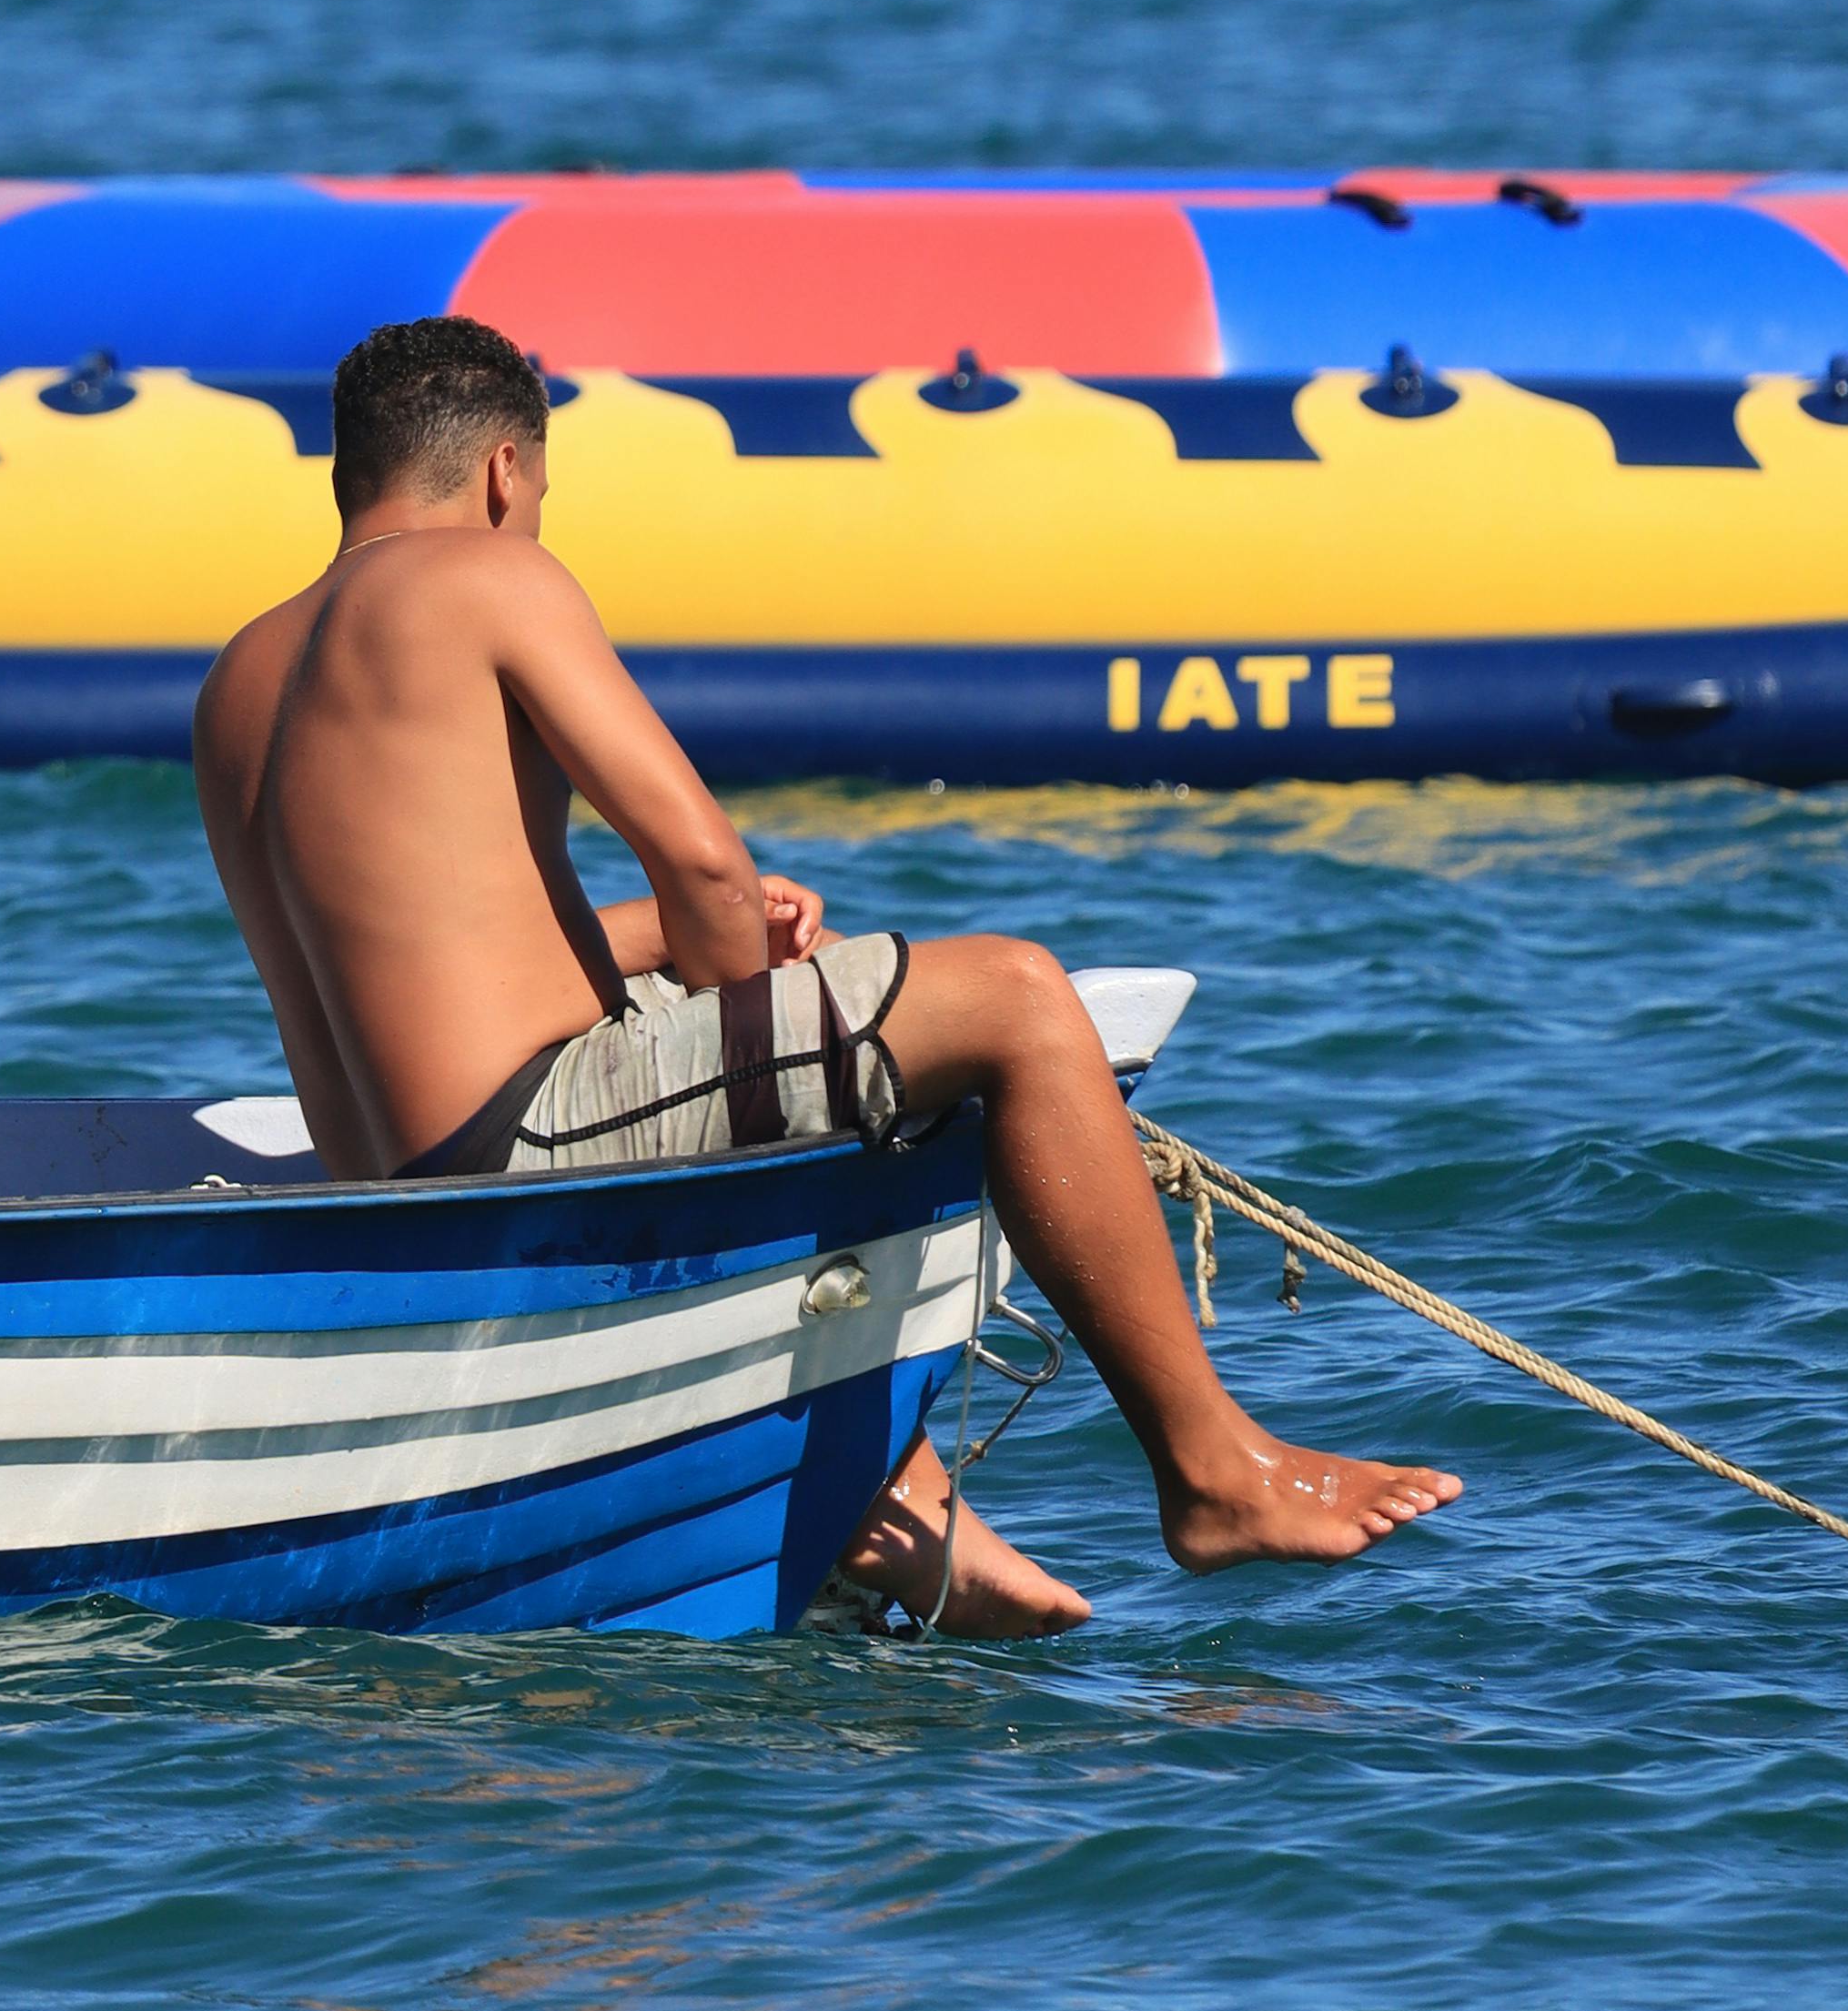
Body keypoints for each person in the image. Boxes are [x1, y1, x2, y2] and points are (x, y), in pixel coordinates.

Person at [192, 309, 1460, 1639]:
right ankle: (1213, 1472)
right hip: (526, 1139)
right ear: (507, 471)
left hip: (401, 1182)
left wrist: (678, 951)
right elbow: (711, 869)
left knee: (821, 1008)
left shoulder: (243, 676)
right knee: (1017, 998)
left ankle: (890, 1502)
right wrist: (740, 967)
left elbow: (419, 951)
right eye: (542, 497)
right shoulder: (487, 577)